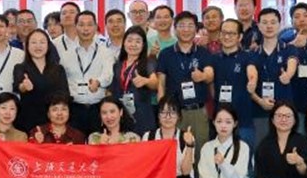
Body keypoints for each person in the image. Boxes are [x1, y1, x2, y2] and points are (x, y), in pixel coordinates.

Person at [157, 12, 215, 150]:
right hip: (174, 112)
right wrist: (162, 111)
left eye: (190, 26)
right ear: (175, 28)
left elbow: (210, 74)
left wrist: (203, 76)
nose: (186, 29)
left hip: (198, 111)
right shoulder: (165, 54)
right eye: (182, 26)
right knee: (175, 151)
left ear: (196, 29)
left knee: (201, 150)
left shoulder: (203, 52)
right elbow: (161, 84)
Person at [249, 8, 297, 144]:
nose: (269, 26)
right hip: (260, 112)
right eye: (264, 22)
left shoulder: (289, 49)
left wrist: (288, 75)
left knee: (286, 149)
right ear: (258, 26)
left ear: (279, 25)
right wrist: (260, 101)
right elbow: (250, 82)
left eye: (273, 22)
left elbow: (292, 64)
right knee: (261, 149)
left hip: (285, 112)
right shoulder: (252, 53)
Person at [60, 11, 113, 134]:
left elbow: (108, 74)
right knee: (75, 143)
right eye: (81, 25)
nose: (85, 29)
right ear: (75, 27)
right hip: (74, 108)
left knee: (98, 143)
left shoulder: (105, 52)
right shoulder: (66, 55)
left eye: (89, 25)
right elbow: (61, 80)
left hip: (98, 108)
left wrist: (98, 82)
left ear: (95, 27)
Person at [210, 19, 256, 147]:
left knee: (245, 156)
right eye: (224, 33)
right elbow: (211, 85)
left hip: (243, 120)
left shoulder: (248, 56)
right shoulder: (213, 58)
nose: (227, 37)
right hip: (220, 120)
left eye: (231, 33)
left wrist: (252, 81)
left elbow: (252, 72)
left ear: (240, 37)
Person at [13, 29, 69, 131]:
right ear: (27, 46)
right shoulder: (20, 68)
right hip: (28, 120)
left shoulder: (58, 69)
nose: (38, 46)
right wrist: (24, 86)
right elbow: (18, 86)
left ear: (48, 45)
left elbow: (65, 93)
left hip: (54, 121)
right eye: (34, 42)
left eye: (42, 42)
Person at [110, 25, 158, 135]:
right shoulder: (117, 65)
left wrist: (146, 81)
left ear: (143, 45)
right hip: (121, 117)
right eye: (130, 40)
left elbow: (155, 82)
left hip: (143, 116)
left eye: (138, 41)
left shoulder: (148, 63)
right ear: (124, 43)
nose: (133, 44)